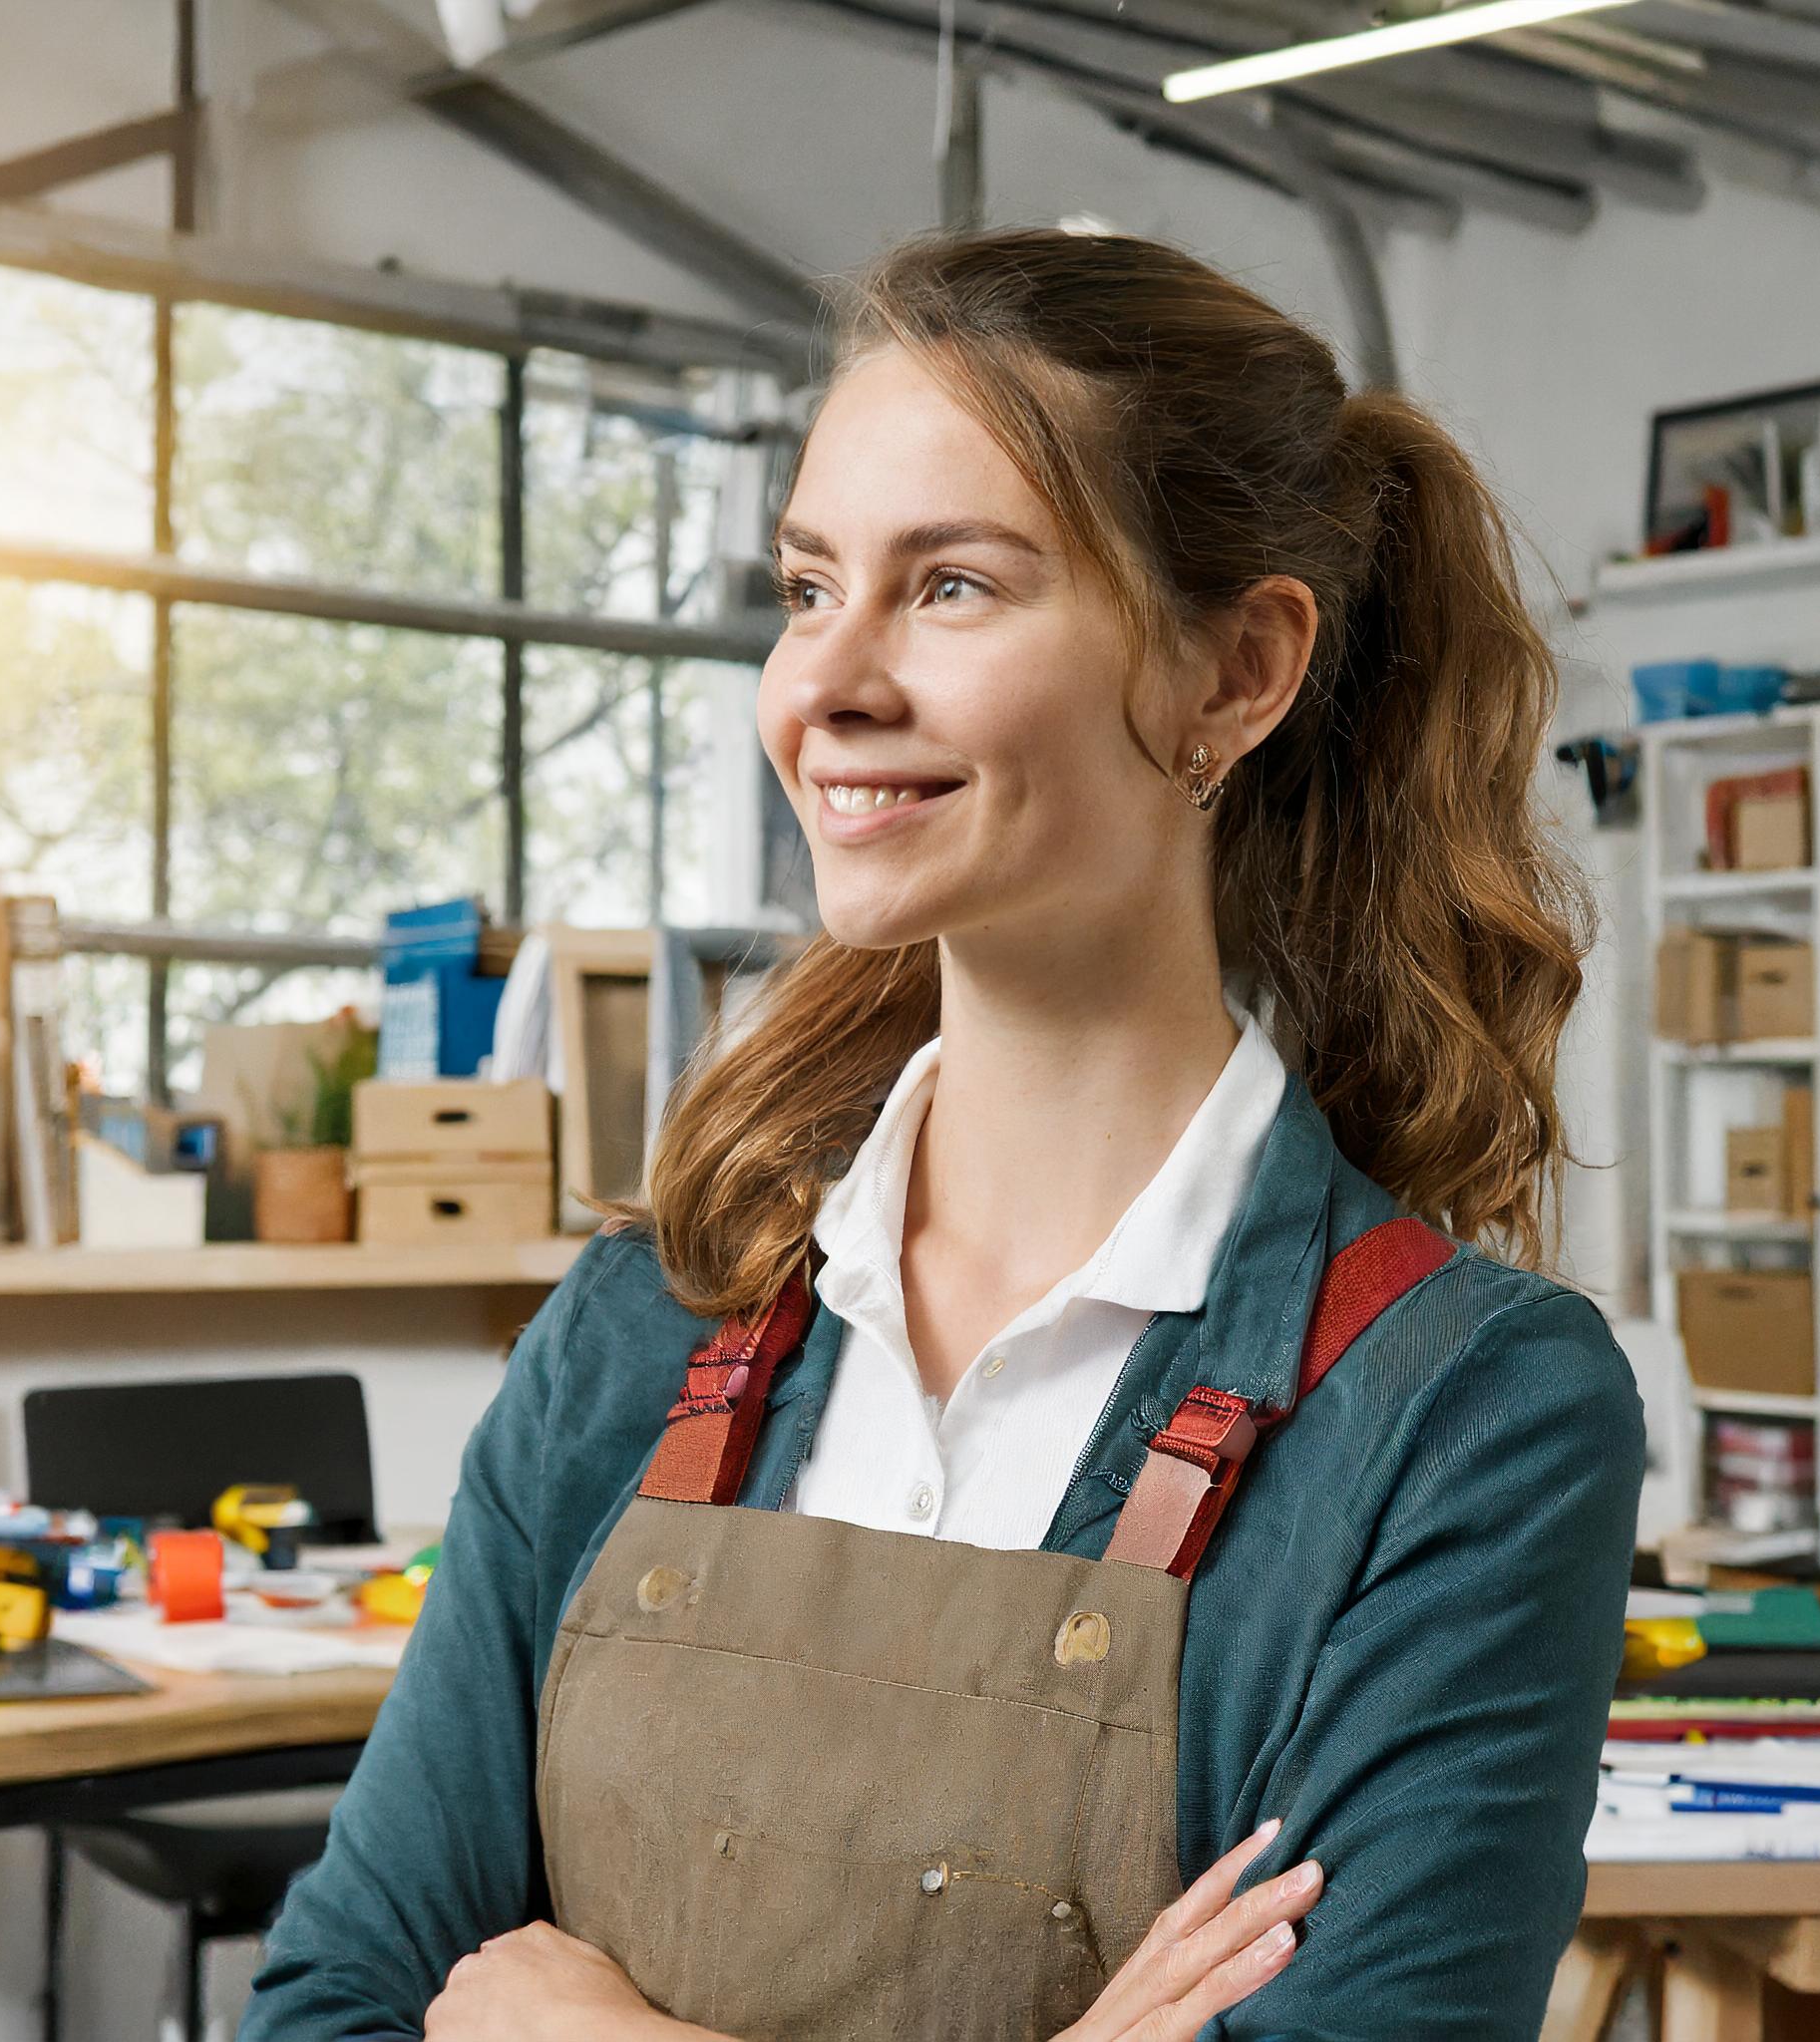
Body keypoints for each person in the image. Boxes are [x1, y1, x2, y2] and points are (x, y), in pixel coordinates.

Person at [239, 225, 1643, 2042]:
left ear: (1237, 673)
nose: (828, 684)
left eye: (956, 587)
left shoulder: (1465, 1415)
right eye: (810, 585)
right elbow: (333, 2010)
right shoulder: (638, 1331)